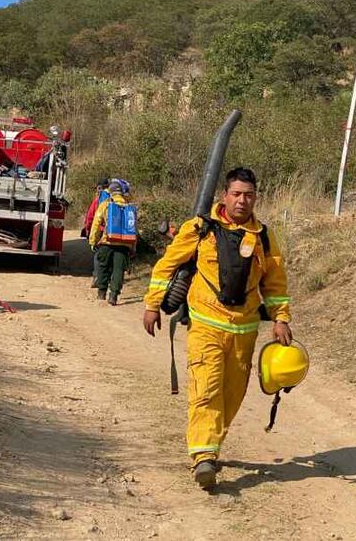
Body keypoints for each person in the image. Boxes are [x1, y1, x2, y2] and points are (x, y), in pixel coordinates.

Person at [142, 167, 292, 490]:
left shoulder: (264, 237)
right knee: (206, 389)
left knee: (231, 397)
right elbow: (167, 265)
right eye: (236, 194)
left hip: (244, 333)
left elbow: (275, 283)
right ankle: (204, 456)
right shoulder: (200, 229)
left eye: (248, 195)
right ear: (225, 195)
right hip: (206, 327)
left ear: (255, 198)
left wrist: (281, 318)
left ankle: (210, 444)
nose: (242, 200)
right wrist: (152, 304)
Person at [88, 179, 137, 305]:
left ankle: (101, 293)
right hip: (124, 245)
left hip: (107, 242)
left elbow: (96, 223)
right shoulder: (130, 206)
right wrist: (132, 247)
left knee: (103, 267)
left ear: (111, 191)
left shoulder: (106, 204)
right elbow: (133, 228)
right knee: (118, 270)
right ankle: (113, 296)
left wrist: (93, 241)